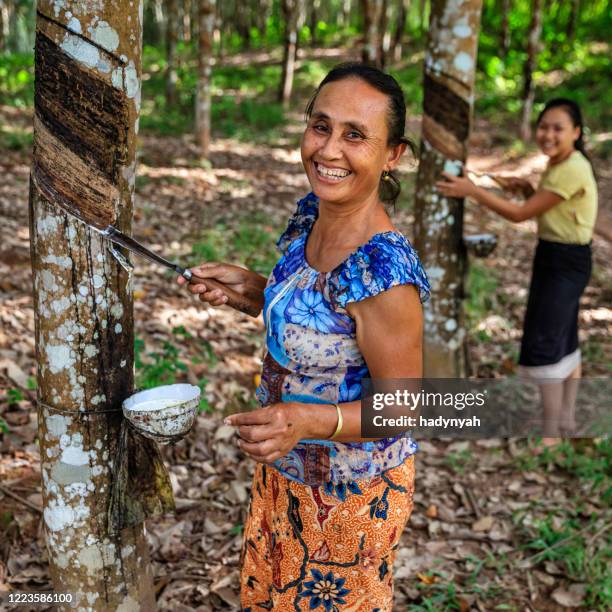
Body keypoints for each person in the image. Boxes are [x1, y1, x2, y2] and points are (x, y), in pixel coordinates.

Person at [178, 62, 430, 610]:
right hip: (285, 478)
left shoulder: (383, 273)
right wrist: (252, 290)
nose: (329, 149)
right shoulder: (314, 214)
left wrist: (307, 420)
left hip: (348, 499)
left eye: (355, 135)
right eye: (321, 126)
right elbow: (325, 322)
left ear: (393, 156)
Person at [437, 98, 597, 446]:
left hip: (564, 262)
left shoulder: (570, 168)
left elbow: (521, 215)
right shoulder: (563, 163)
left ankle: (551, 433)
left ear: (576, 132)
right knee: (565, 337)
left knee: (546, 342)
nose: (549, 134)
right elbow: (554, 206)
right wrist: (527, 189)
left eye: (558, 128)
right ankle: (566, 418)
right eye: (544, 126)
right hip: (560, 257)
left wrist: (472, 191)